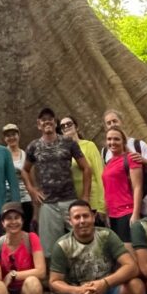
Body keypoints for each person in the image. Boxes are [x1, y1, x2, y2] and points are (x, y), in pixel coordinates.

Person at [22, 107, 91, 259]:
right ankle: (56, 280)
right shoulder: (34, 146)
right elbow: (25, 170)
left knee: (82, 241)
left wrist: (85, 196)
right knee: (50, 250)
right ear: (38, 124)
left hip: (70, 200)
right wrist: (32, 190)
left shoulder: (68, 142)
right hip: (48, 203)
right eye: (43, 119)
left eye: (50, 118)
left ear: (55, 123)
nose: (47, 121)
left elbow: (86, 168)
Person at [101, 127, 143, 242]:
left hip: (127, 212)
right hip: (113, 215)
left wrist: (135, 213)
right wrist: (107, 213)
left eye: (116, 139)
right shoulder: (108, 162)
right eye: (109, 139)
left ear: (123, 142)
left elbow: (138, 187)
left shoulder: (130, 158)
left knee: (130, 248)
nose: (112, 142)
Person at [58, 115, 105, 216]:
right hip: (75, 203)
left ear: (76, 127)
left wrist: (102, 206)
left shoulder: (89, 145)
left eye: (69, 124)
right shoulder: (63, 152)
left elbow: (100, 174)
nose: (66, 126)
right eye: (63, 126)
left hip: (93, 201)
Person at [2, 123, 37, 229]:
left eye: (14, 134)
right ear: (4, 138)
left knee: (26, 228)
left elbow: (31, 178)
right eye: (8, 135)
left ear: (18, 135)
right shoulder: (1, 155)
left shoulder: (26, 155)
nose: (11, 138)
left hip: (25, 198)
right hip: (8, 198)